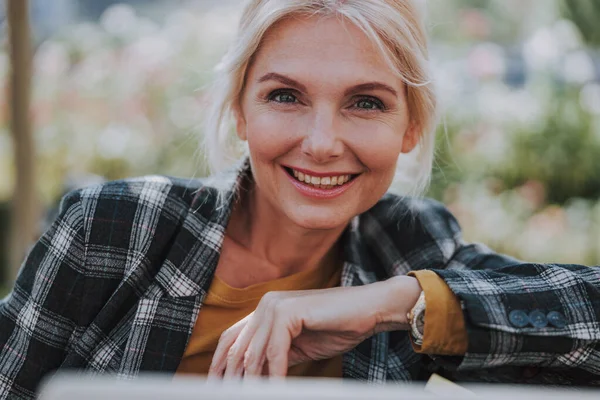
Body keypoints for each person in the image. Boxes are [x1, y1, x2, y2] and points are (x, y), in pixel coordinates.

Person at [1, 0, 600, 397]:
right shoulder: (113, 229)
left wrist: (391, 303)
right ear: (240, 109)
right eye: (285, 96)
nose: (320, 144)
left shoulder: (411, 247)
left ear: (410, 127)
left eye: (366, 102)